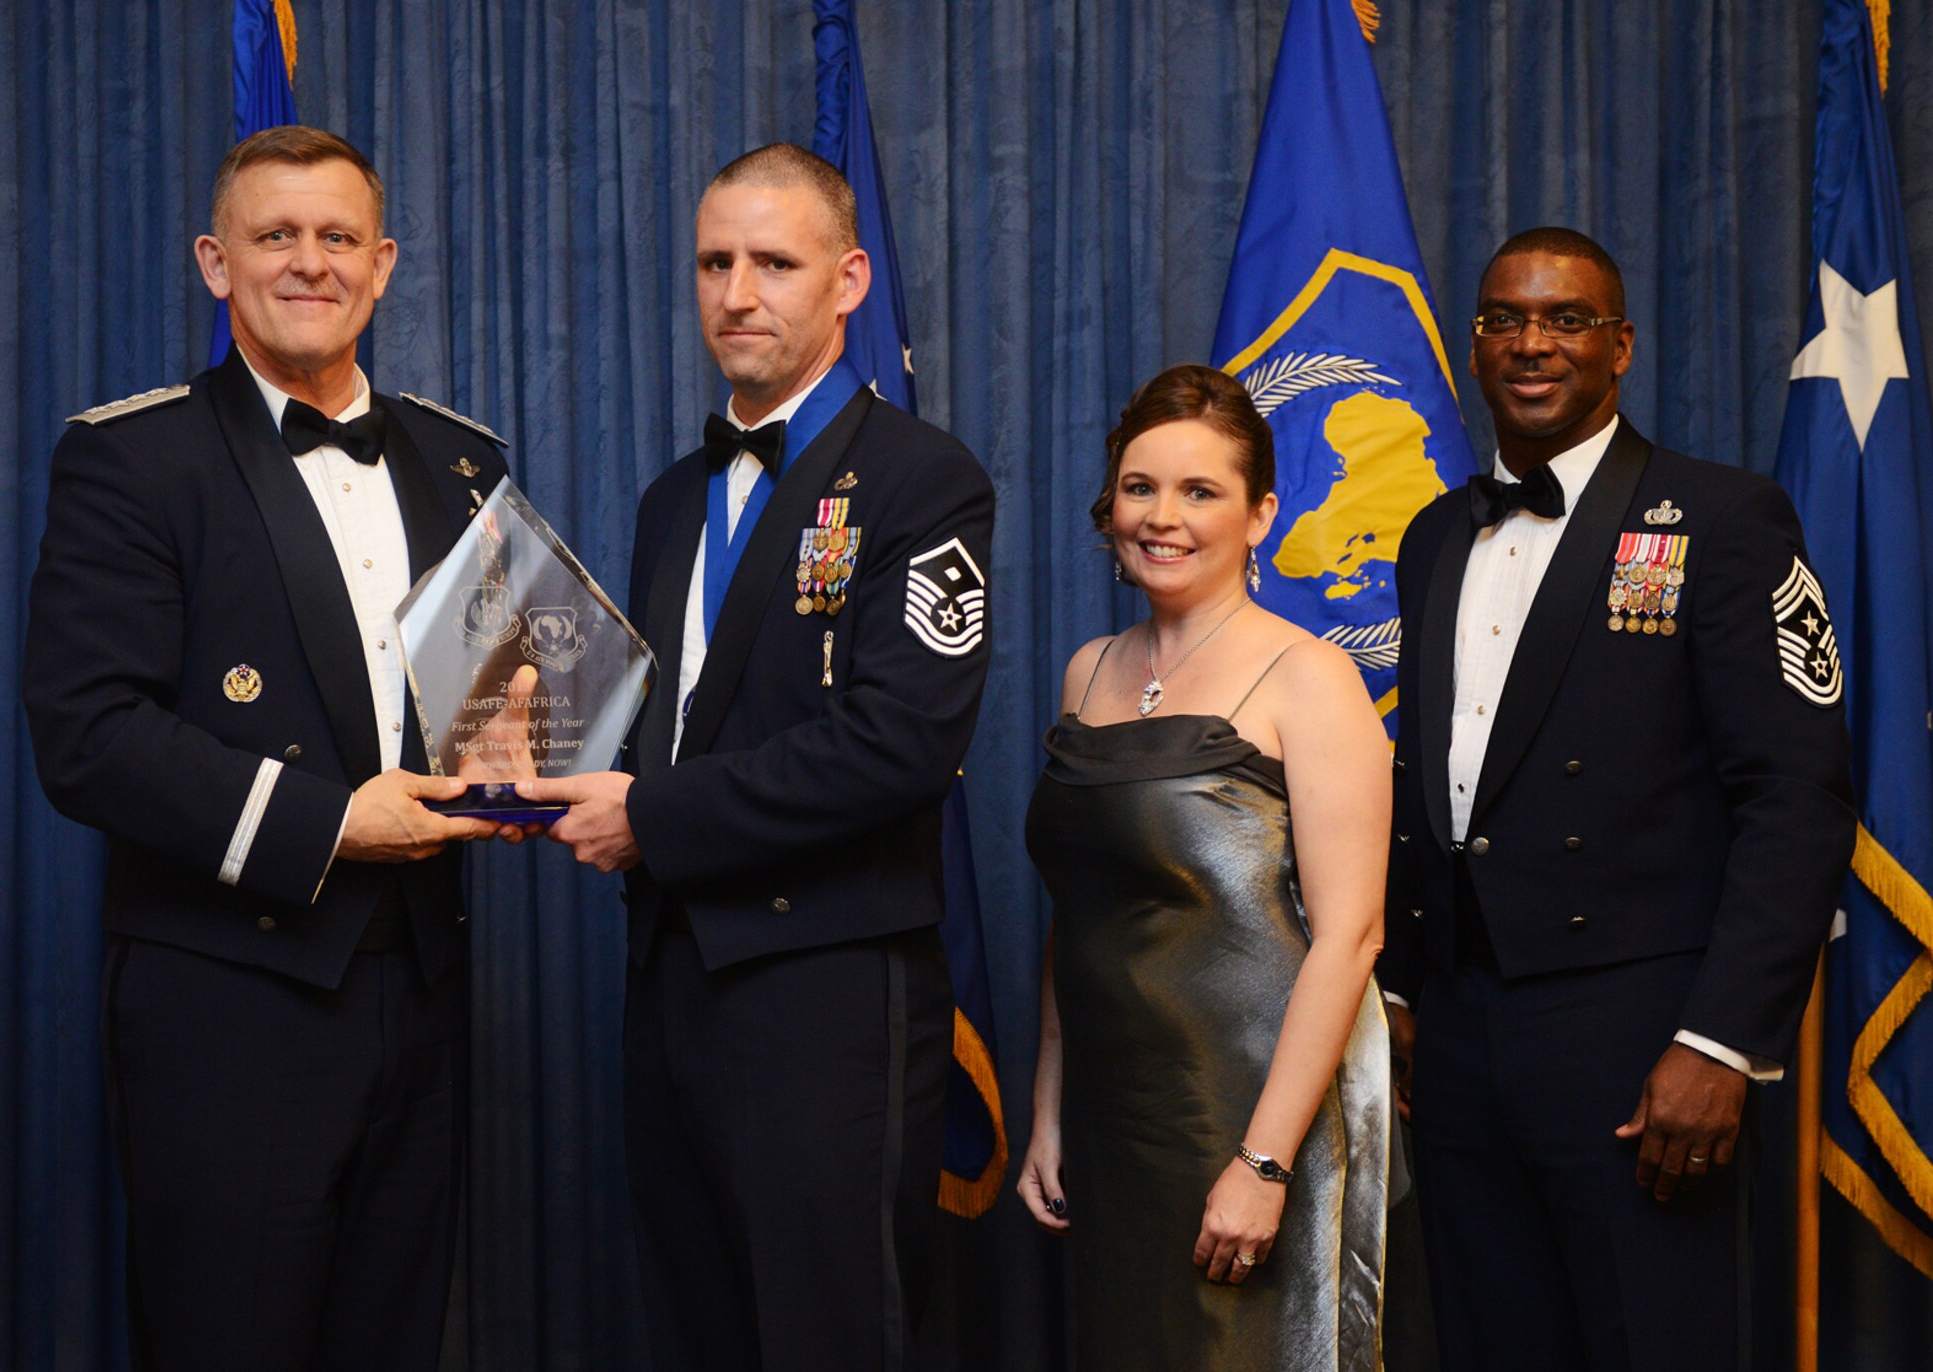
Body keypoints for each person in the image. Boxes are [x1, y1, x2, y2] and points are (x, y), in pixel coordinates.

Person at [23, 126, 510, 1371]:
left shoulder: (463, 463)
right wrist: (335, 822)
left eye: (337, 237)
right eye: (274, 236)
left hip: (426, 983)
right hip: (226, 999)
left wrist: (556, 762)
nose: (308, 262)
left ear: (384, 261)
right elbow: (87, 736)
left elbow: (495, 706)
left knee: (393, 1339)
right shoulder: (132, 457)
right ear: (214, 262)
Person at [517, 143, 995, 1370]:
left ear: (846, 280)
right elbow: (668, 727)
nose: (737, 292)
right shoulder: (671, 499)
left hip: (827, 981)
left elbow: (898, 744)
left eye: (772, 263)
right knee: (699, 1322)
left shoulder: (921, 479)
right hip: (671, 968)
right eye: (713, 262)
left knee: (828, 1332)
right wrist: (528, 750)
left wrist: (650, 816)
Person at [1382, 228, 1857, 1370]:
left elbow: (1795, 798)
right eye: (1503, 319)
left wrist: (1720, 1041)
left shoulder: (1723, 520)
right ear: (1474, 343)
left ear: (1619, 345)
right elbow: (1432, 783)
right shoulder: (1433, 534)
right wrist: (1402, 989)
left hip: (1641, 1039)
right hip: (1457, 1034)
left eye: (1564, 319)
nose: (1530, 343)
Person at [1017, 364, 1392, 1370]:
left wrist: (1264, 1163)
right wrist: (1047, 1112)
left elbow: (1351, 932)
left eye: (1199, 491)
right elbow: (1078, 911)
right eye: (1140, 487)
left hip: (1250, 1112)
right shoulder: (1087, 671)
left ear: (1260, 512)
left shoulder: (1309, 676)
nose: (1161, 517)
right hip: (1112, 1119)